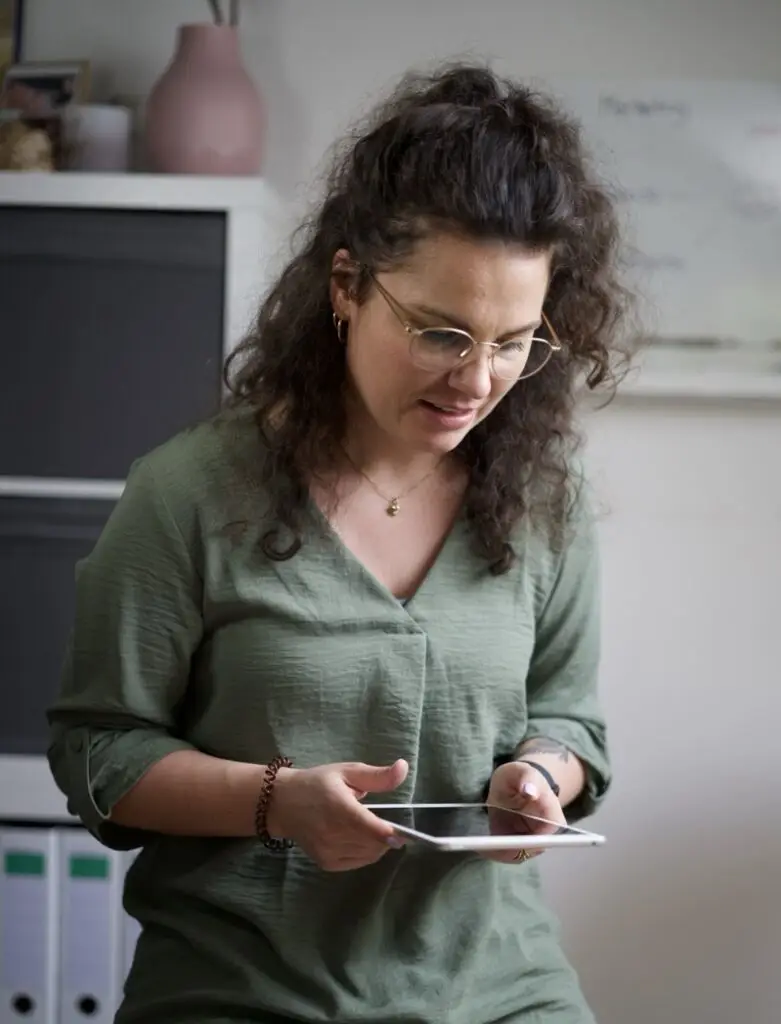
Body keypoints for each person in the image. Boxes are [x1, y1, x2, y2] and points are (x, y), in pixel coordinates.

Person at [47, 61, 630, 1024]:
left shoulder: (544, 502)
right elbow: (98, 754)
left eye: (516, 339)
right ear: (349, 284)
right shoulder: (188, 493)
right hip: (245, 991)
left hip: (497, 990)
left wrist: (541, 776)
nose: (478, 380)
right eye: (441, 332)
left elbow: (575, 723)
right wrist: (274, 800)